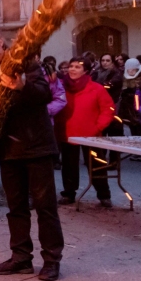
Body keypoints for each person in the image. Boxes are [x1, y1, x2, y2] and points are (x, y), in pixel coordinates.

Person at [0, 26, 63, 281]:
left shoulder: (24, 63)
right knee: (16, 207)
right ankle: (21, 257)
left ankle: (52, 260)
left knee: (45, 206)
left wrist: (22, 86)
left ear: (0, 43)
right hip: (7, 150)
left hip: (35, 146)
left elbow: (44, 94)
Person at [55, 57, 115, 207]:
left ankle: (104, 195)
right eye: (71, 66)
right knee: (69, 166)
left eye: (77, 67)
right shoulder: (61, 87)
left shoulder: (96, 88)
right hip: (68, 133)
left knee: (97, 166)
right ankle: (69, 193)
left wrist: (98, 127)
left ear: (86, 71)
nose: (72, 69)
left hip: (91, 135)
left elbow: (108, 109)